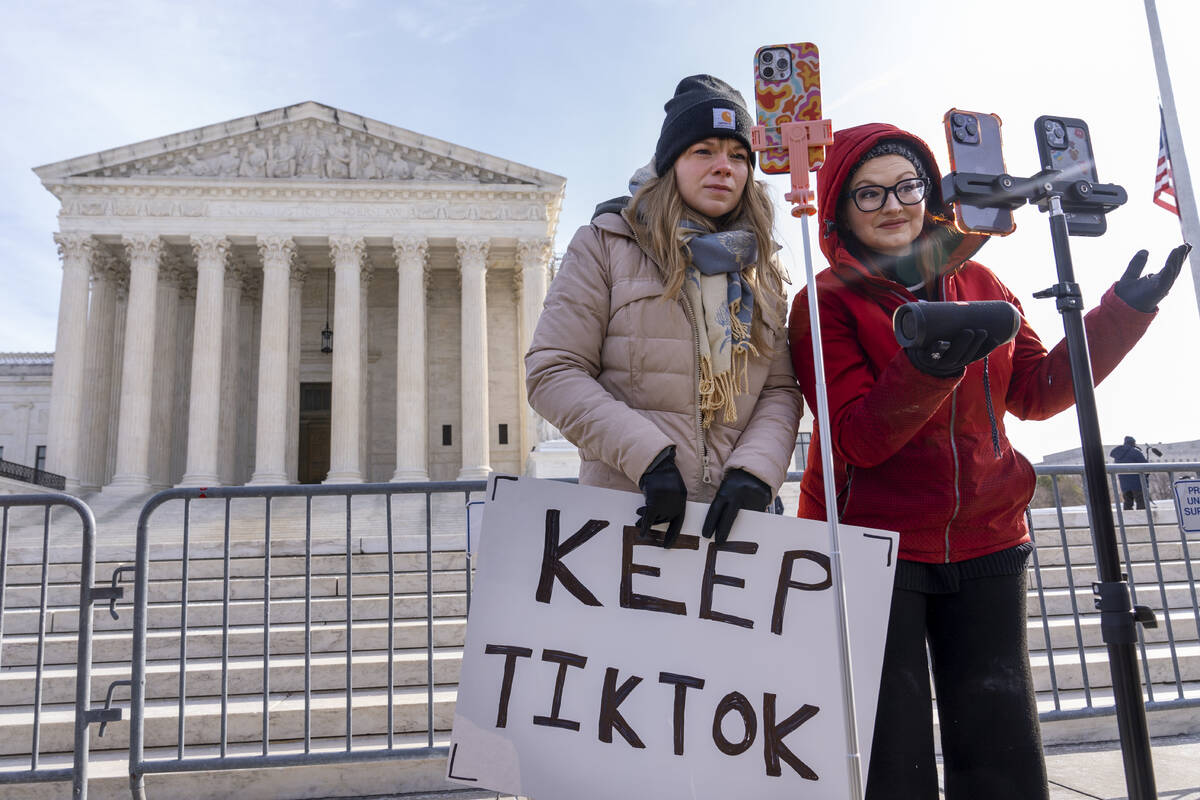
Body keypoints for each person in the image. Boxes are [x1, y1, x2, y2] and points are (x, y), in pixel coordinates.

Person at [787, 122, 1191, 800]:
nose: (894, 205)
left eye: (908, 185)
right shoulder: (824, 302)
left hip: (989, 538)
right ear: (839, 211)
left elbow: (1036, 391)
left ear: (931, 193)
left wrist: (1121, 314)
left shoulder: (978, 278)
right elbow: (859, 437)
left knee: (1001, 753)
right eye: (869, 193)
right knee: (895, 760)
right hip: (873, 549)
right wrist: (929, 366)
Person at [526, 74, 802, 546]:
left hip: (737, 529)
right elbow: (554, 371)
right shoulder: (606, 244)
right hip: (628, 512)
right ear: (670, 163)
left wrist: (756, 472)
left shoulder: (761, 268)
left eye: (738, 156)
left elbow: (779, 389)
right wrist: (649, 459)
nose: (724, 167)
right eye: (704, 151)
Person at [1111, 435, 1150, 510]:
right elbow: (1145, 465)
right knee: (1141, 502)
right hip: (1137, 483)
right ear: (1133, 443)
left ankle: (1127, 520)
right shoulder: (1135, 452)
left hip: (1124, 484)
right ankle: (1143, 519)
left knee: (1128, 502)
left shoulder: (1118, 454)